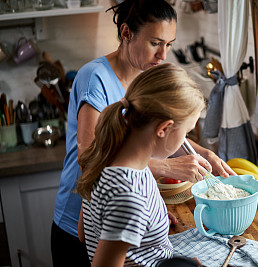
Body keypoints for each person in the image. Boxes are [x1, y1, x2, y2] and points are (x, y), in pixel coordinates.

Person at [51, 0, 235, 266]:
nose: (163, 55)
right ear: (126, 33)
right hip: (78, 228)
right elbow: (90, 156)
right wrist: (165, 170)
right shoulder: (96, 78)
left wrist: (152, 216)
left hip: (99, 213)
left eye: (169, 44)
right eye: (155, 43)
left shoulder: (144, 75)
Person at [76, 63, 204, 266]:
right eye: (186, 133)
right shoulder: (129, 194)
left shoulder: (107, 155)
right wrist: (133, 216)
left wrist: (150, 223)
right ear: (164, 129)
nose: (185, 140)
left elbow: (85, 233)